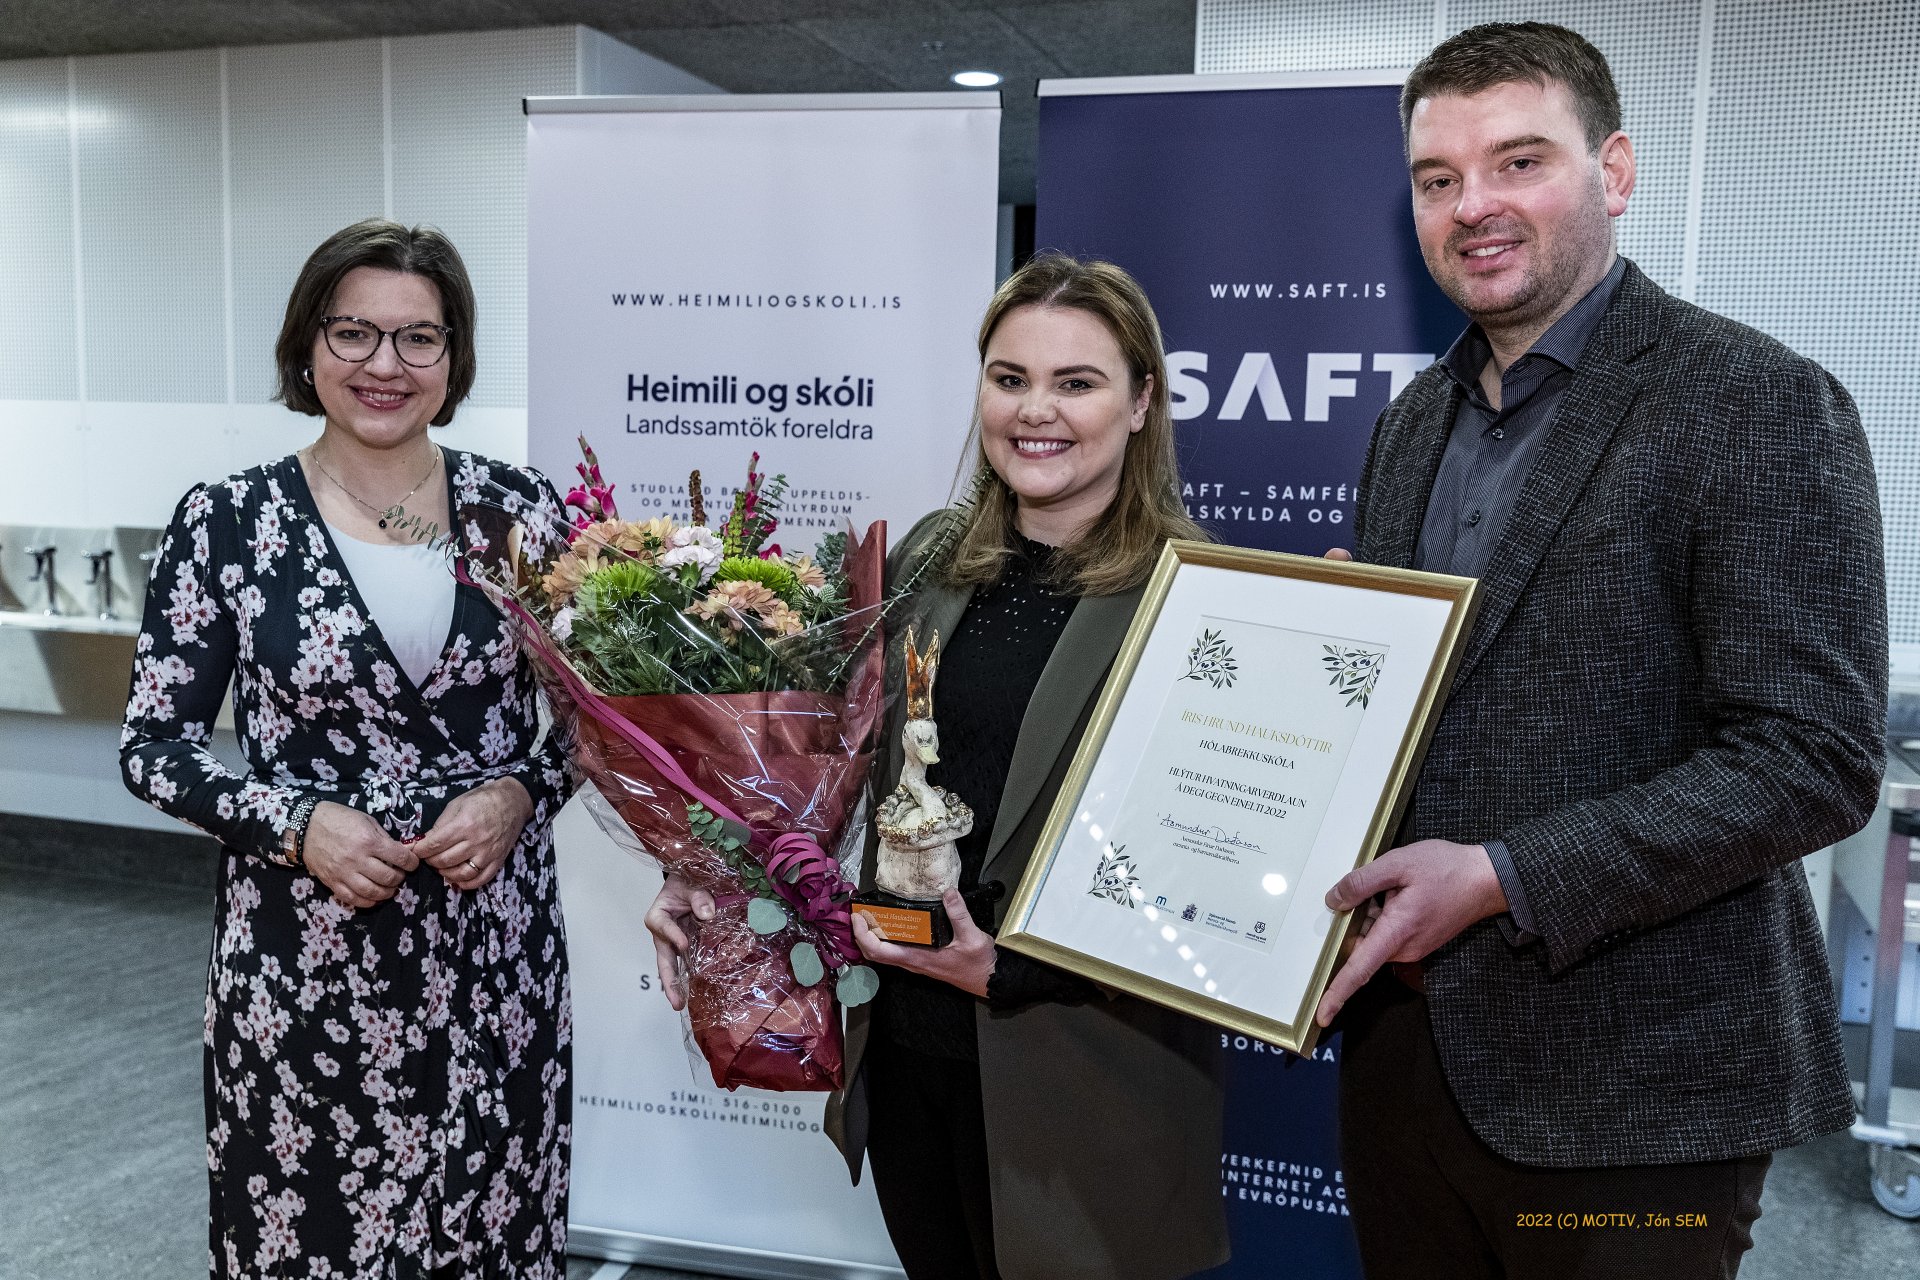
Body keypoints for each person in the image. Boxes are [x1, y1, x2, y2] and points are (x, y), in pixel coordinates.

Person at [1312, 22, 1885, 1279]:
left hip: (1642, 1085)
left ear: (1613, 172)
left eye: (1520, 161)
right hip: (1408, 1067)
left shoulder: (1756, 399)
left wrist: (1509, 872)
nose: (1476, 206)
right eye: (1439, 177)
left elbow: (1814, 755)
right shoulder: (1411, 423)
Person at [646, 254, 1227, 1280]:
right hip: (910, 1052)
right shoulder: (926, 558)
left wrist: (1012, 965)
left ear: (1142, 401)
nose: (1034, 410)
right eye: (1009, 378)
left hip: (1081, 1075)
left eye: (1076, 382)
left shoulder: (1198, 600)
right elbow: (821, 766)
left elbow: (1212, 865)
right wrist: (706, 875)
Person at [120, 219, 575, 1279]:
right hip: (303, 965)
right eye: (354, 333)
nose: (385, 365)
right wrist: (294, 822)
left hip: (492, 961)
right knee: (312, 1241)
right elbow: (155, 743)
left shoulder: (521, 512)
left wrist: (518, 794)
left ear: (453, 356)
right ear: (308, 346)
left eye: (418, 338)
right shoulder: (226, 522)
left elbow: (601, 726)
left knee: (489, 1232)